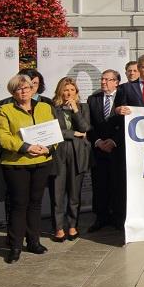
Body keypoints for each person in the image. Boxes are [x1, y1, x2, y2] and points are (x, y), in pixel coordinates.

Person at [0, 74, 55, 263]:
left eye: (27, 87)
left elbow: (55, 131)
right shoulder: (4, 109)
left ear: (33, 89)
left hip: (42, 161)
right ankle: (14, 246)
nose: (24, 91)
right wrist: (26, 147)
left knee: (35, 203)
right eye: (19, 89)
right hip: (16, 163)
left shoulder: (46, 107)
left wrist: (49, 147)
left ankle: (33, 242)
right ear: (13, 92)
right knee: (19, 204)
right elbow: (3, 137)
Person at [50, 77, 91, 242]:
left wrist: (75, 110)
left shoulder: (83, 107)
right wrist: (73, 133)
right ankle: (59, 228)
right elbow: (53, 131)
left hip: (78, 153)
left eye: (72, 90)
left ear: (76, 92)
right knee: (57, 193)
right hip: (59, 153)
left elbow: (85, 128)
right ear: (60, 91)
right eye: (65, 89)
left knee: (75, 193)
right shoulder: (53, 108)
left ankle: (73, 225)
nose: (68, 93)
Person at [87, 70, 124, 232]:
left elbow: (126, 123)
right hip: (99, 149)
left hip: (117, 149)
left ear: (116, 82)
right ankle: (101, 217)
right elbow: (89, 125)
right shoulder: (92, 99)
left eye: (108, 80)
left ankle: (118, 217)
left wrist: (114, 141)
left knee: (117, 184)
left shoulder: (124, 98)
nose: (103, 82)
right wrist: (98, 142)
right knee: (100, 185)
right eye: (102, 79)